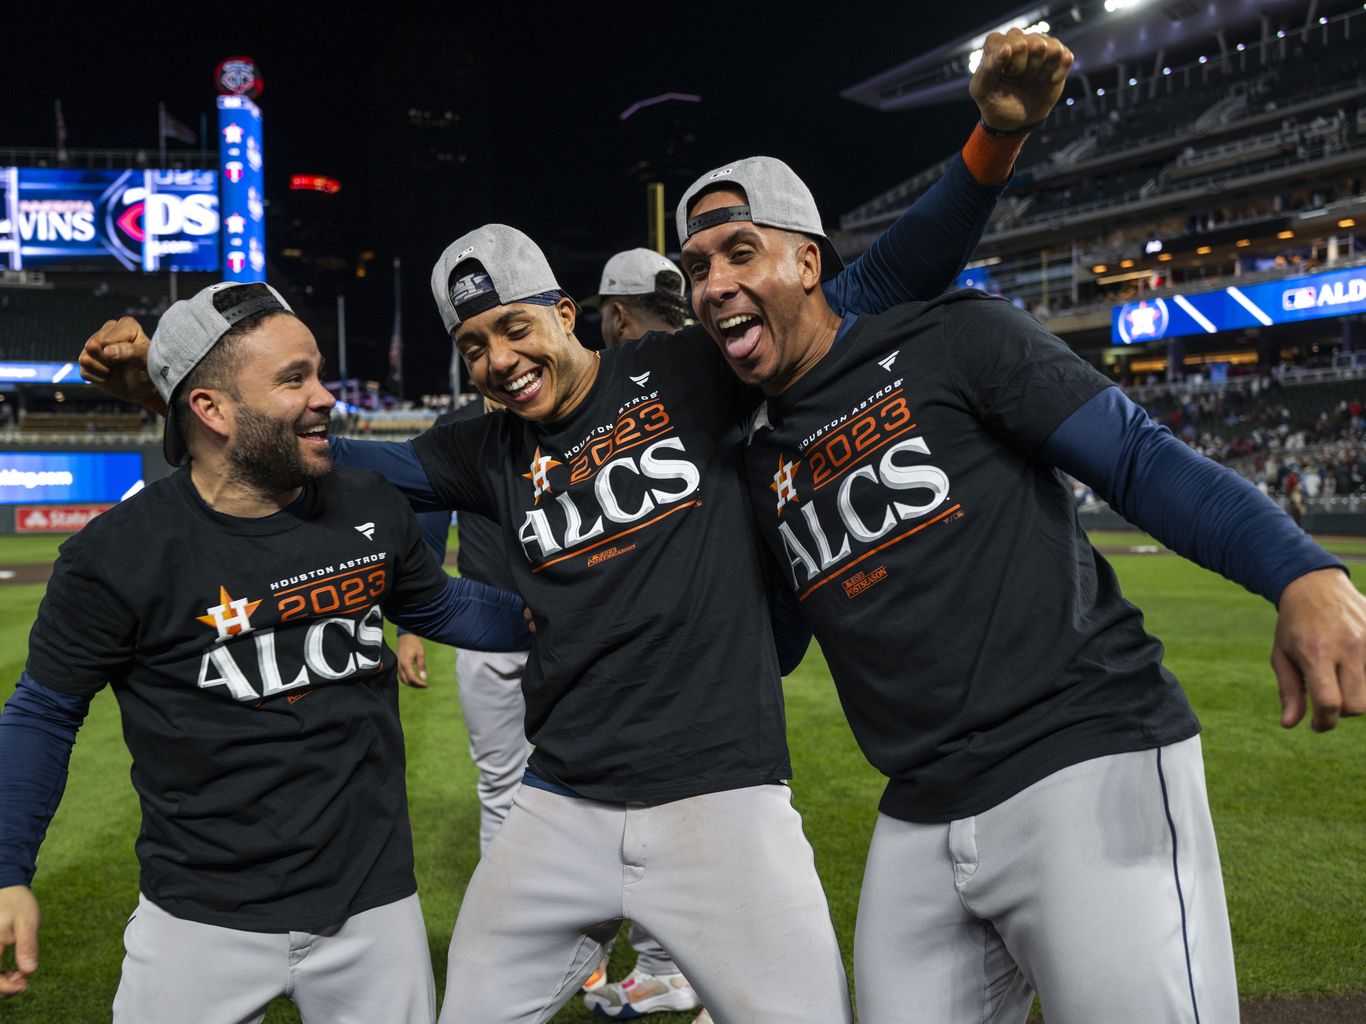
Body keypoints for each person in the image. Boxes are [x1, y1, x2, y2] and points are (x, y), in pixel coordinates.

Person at [79, 30, 1074, 1023]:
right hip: (561, 804)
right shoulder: (477, 447)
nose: (499, 358)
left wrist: (990, 138)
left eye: (514, 326)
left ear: (564, 311)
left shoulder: (688, 371)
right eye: (473, 346)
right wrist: (177, 394)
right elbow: (301, 449)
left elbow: (875, 282)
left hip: (722, 795)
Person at [675, 155, 1366, 1023]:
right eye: (698, 269)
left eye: (742, 252)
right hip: (920, 811)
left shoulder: (953, 336)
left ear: (809, 263)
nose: (716, 284)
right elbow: (770, 643)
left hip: (1081, 759)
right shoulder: (754, 455)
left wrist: (1300, 570)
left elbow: (1137, 457)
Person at [0, 282, 529, 1021]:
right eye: (294, 380)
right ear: (210, 411)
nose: (325, 399)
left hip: (373, 908)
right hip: (198, 918)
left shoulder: (367, 504)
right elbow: (44, 714)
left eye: (317, 372)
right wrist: (7, 870)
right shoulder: (115, 555)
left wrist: (562, 619)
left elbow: (439, 605)